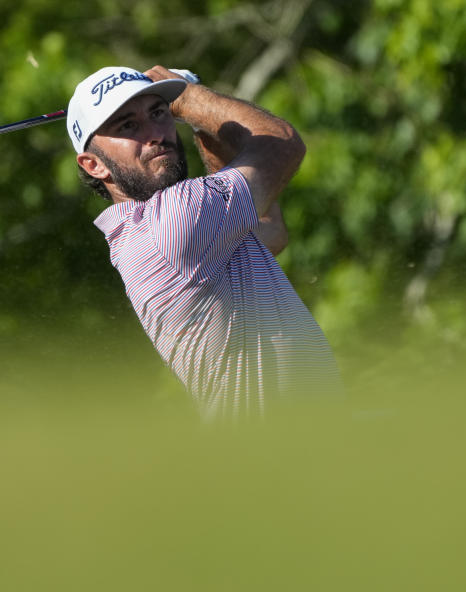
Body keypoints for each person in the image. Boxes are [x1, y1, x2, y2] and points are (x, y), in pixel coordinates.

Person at [67, 65, 341, 418]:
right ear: (93, 165)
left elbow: (269, 231)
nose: (155, 134)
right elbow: (282, 144)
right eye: (128, 126)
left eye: (158, 113)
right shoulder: (171, 223)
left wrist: (200, 122)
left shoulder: (149, 232)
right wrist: (189, 95)